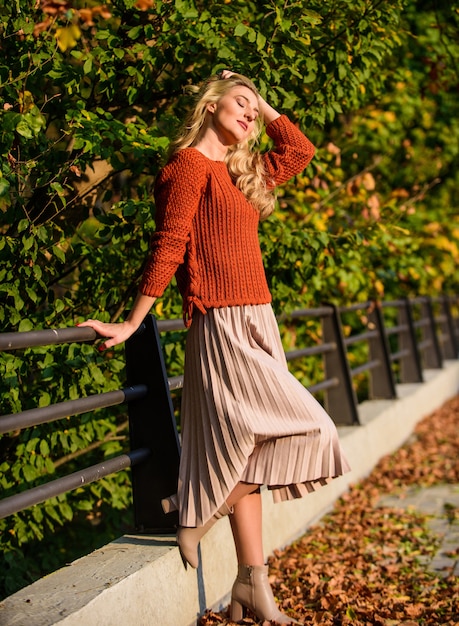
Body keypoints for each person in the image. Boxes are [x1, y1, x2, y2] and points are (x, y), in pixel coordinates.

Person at [80, 70, 350, 625]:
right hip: (220, 323)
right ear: (210, 104)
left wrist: (262, 100)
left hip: (258, 319)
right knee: (312, 426)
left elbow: (299, 149)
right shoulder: (185, 169)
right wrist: (133, 323)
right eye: (241, 103)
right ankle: (198, 512)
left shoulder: (243, 170)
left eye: (256, 109)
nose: (251, 115)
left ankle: (252, 586)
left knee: (249, 450)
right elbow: (170, 246)